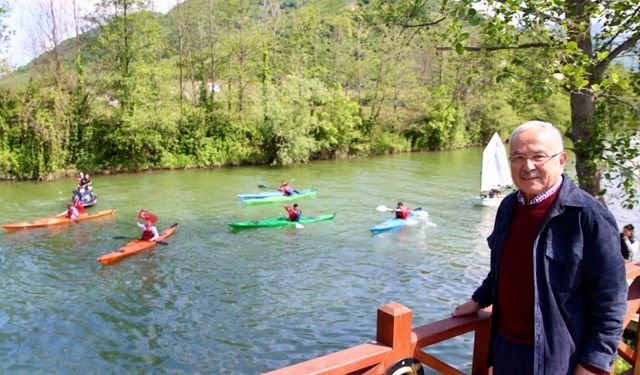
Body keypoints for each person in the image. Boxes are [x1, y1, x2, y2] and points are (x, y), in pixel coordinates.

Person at [451, 121, 627, 374]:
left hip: (559, 357)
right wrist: (479, 299)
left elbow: (610, 300)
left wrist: (593, 364)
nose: (528, 166)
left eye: (538, 157)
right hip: (505, 348)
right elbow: (504, 266)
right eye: (518, 157)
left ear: (562, 159)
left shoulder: (588, 216)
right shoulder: (509, 206)